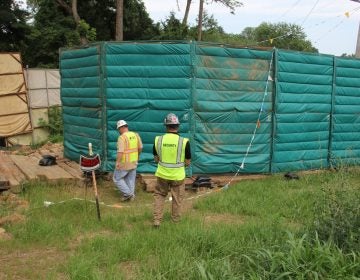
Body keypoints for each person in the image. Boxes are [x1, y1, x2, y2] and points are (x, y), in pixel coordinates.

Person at [153, 113, 191, 228]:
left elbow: (156, 159)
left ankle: (157, 220)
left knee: (159, 195)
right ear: (177, 126)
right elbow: (188, 161)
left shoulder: (158, 140)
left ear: (166, 126)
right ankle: (176, 221)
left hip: (162, 175)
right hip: (178, 176)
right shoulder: (184, 141)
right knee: (177, 198)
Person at [113, 120, 143, 201]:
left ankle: (128, 194)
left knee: (117, 178)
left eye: (119, 129)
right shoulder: (135, 135)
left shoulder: (122, 137)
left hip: (124, 163)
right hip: (134, 161)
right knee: (130, 179)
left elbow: (120, 152)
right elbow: (140, 147)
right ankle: (131, 196)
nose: (119, 131)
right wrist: (137, 156)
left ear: (122, 127)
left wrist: (117, 162)